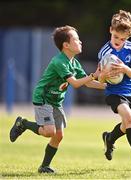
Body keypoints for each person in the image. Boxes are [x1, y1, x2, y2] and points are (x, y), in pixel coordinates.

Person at [9, 25, 106, 173]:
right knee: (49, 132)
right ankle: (24, 123)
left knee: (59, 135)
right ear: (66, 45)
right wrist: (94, 75)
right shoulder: (59, 61)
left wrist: (108, 87)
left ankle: (44, 167)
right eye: (76, 39)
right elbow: (75, 83)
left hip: (56, 101)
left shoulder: (74, 62)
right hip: (43, 98)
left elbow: (87, 82)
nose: (80, 42)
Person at [98, 10, 131, 170]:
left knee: (126, 126)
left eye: (123, 39)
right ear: (111, 30)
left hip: (130, 92)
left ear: (128, 37)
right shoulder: (105, 52)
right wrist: (104, 74)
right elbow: (101, 80)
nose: (118, 41)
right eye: (116, 37)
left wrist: (124, 68)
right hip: (113, 93)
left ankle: (110, 138)